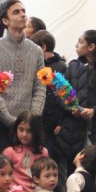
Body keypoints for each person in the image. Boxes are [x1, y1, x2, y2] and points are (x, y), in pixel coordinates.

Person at [55, 29, 96, 177]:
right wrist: (71, 108)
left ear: (91, 47)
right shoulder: (73, 66)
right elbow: (60, 94)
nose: (76, 45)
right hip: (73, 136)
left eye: (80, 42)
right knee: (74, 180)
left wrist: (95, 112)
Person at [0, 0, 46, 153]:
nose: (23, 15)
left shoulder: (36, 50)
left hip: (28, 128)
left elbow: (40, 87)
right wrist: (10, 120)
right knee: (2, 168)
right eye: (16, 12)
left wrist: (32, 119)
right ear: (5, 21)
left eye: (23, 11)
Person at [30, 29, 67, 161]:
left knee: (49, 157)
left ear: (43, 47)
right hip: (39, 119)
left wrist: (61, 122)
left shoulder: (61, 67)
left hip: (53, 122)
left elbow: (64, 95)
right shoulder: (36, 65)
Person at [3, 111, 48, 192]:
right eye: (21, 129)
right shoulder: (9, 152)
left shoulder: (43, 152)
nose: (24, 134)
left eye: (29, 131)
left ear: (36, 132)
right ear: (16, 129)